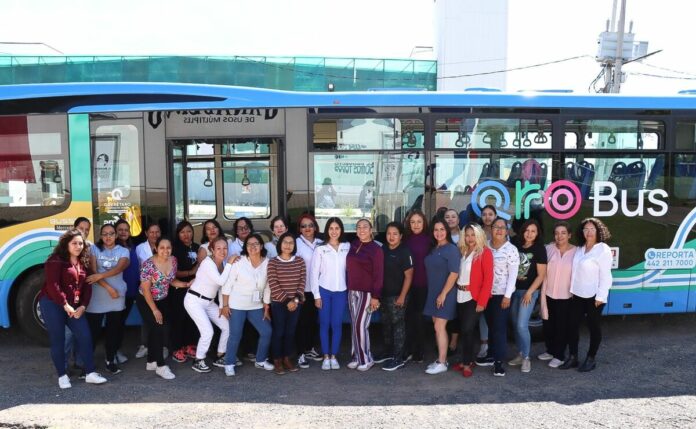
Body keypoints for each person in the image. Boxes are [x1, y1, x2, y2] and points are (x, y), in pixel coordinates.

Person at [39, 229, 107, 388]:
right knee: (58, 340)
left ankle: (90, 373)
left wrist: (83, 305)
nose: (78, 246)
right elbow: (52, 285)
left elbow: (88, 285)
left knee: (85, 336)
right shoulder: (55, 261)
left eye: (80, 243)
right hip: (53, 304)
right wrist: (65, 304)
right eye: (74, 243)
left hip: (74, 306)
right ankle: (62, 376)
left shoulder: (83, 262)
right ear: (66, 244)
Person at [564, 217, 613, 372]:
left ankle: (591, 358)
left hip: (594, 297)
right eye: (586, 229)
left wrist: (600, 296)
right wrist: (572, 290)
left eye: (592, 229)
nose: (589, 232)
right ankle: (573, 357)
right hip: (577, 294)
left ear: (598, 231)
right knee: (571, 326)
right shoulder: (580, 248)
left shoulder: (603, 249)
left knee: (593, 327)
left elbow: (606, 275)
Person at [221, 233, 273, 376]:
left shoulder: (268, 263)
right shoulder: (239, 262)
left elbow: (268, 286)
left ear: (261, 246)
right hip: (237, 305)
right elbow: (227, 284)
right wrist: (225, 305)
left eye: (256, 244)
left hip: (256, 305)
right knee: (235, 335)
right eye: (249, 244)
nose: (252, 247)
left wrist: (266, 306)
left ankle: (260, 360)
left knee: (267, 331)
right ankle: (229, 363)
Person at [138, 237, 189, 380]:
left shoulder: (173, 261)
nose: (165, 250)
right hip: (146, 300)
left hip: (163, 299)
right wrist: (154, 310)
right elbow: (146, 289)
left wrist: (185, 285)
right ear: (156, 248)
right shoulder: (148, 264)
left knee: (159, 329)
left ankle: (150, 362)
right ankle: (160, 365)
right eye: (162, 247)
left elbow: (171, 280)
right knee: (158, 329)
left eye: (168, 247)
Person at [185, 236, 236, 373]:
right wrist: (231, 263)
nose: (222, 251)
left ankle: (220, 355)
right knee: (208, 331)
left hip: (209, 302)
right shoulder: (208, 263)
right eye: (218, 248)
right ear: (212, 250)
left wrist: (221, 307)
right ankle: (198, 360)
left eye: (225, 248)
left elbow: (222, 288)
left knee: (227, 326)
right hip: (194, 300)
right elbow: (220, 281)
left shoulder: (223, 264)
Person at [476, 217, 519, 377]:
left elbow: (513, 275)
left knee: (499, 329)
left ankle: (499, 363)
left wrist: (507, 296)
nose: (499, 230)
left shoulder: (511, 249)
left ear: (507, 231)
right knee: (492, 326)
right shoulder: (485, 246)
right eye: (496, 227)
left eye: (502, 227)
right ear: (491, 229)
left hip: (502, 295)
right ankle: (492, 354)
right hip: (487, 295)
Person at [85, 223, 129, 375]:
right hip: (98, 298)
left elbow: (120, 268)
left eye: (111, 233)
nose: (108, 237)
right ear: (100, 236)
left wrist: (101, 275)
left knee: (113, 332)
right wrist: (109, 287)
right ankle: (87, 365)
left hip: (117, 298)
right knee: (93, 332)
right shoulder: (93, 249)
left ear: (116, 235)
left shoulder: (124, 250)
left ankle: (110, 361)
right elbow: (92, 272)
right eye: (105, 234)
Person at [452, 223, 493, 378]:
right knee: (464, 330)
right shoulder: (461, 251)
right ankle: (465, 360)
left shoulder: (485, 252)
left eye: (473, 234)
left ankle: (468, 363)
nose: (470, 238)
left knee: (468, 330)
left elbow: (488, 279)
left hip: (473, 297)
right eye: (467, 235)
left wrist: (482, 301)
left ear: (479, 235)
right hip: (459, 295)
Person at [508, 219, 547, 373]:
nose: (529, 234)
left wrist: (530, 292)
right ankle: (520, 353)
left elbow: (541, 275)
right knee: (515, 324)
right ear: (523, 231)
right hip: (513, 291)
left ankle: (526, 358)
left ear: (537, 234)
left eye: (533, 231)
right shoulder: (516, 245)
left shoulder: (539, 249)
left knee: (521, 325)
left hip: (528, 293)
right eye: (527, 230)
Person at [311, 217, 350, 371]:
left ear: (341, 230)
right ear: (327, 230)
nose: (334, 231)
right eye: (331, 228)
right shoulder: (320, 249)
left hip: (341, 291)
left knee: (337, 324)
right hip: (324, 291)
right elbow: (314, 273)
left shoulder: (347, 247)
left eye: (337, 228)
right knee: (324, 324)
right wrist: (316, 295)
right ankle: (326, 356)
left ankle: (334, 356)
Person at [422, 219, 461, 375]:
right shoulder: (434, 249)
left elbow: (454, 273)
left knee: (439, 326)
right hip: (433, 292)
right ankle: (440, 359)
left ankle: (442, 362)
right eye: (436, 230)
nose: (439, 233)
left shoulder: (451, 249)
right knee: (437, 327)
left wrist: (443, 294)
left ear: (447, 231)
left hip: (446, 293)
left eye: (442, 229)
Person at [345, 218, 383, 372]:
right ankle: (356, 356)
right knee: (354, 325)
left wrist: (376, 296)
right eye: (359, 227)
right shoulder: (353, 245)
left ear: (371, 229)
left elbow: (379, 275)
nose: (362, 230)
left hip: (367, 293)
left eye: (365, 227)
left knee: (361, 326)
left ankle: (366, 359)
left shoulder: (376, 249)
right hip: (352, 291)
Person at [539, 221, 576, 369]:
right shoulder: (548, 249)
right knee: (548, 325)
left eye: (563, 233)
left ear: (569, 235)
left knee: (562, 327)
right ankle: (550, 350)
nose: (559, 236)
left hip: (566, 296)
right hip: (548, 294)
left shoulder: (576, 252)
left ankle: (559, 356)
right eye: (557, 233)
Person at [267, 231, 306, 374]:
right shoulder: (273, 262)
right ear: (280, 244)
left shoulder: (300, 261)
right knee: (279, 332)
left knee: (290, 332)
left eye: (291, 243)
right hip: (279, 304)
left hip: (296, 303)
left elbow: (302, 282)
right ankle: (277, 360)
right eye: (285, 242)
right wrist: (288, 301)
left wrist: (295, 300)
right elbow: (273, 284)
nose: (288, 245)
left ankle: (287, 358)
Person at [379, 222, 413, 371]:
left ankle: (399, 358)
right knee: (386, 325)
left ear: (401, 236)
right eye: (388, 233)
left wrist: (402, 296)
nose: (391, 237)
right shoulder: (383, 249)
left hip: (398, 296)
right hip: (384, 296)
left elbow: (409, 276)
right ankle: (388, 352)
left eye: (395, 234)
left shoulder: (404, 252)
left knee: (398, 326)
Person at [64, 217, 92, 374]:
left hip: (80, 300)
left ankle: (80, 362)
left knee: (80, 333)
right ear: (74, 228)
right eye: (81, 228)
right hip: (66, 301)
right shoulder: (65, 249)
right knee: (67, 335)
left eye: (87, 229)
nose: (85, 231)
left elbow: (88, 276)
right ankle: (63, 367)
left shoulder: (88, 249)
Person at [295, 214, 324, 367]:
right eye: (303, 226)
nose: (307, 228)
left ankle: (309, 348)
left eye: (310, 225)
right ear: (299, 228)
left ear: (315, 227)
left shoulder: (321, 242)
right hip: (302, 289)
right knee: (302, 322)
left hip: (318, 289)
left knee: (313, 321)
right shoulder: (296, 243)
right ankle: (300, 353)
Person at [171, 220, 201, 363]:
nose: (186, 235)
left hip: (195, 289)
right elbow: (173, 273)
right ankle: (177, 347)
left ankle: (190, 345)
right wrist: (191, 271)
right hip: (179, 289)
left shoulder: (197, 247)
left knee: (193, 318)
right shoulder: (174, 249)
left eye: (189, 231)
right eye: (182, 232)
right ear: (178, 234)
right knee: (179, 318)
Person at [403, 209, 429, 363]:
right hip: (406, 284)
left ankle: (420, 350)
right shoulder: (405, 239)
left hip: (422, 284)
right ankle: (408, 349)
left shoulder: (429, 239)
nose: (416, 225)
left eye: (419, 221)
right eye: (413, 222)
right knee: (408, 318)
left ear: (424, 223)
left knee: (419, 318)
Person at [114, 219, 139, 364]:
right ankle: (111, 353)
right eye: (120, 229)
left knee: (121, 323)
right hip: (118, 292)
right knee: (115, 323)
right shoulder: (113, 248)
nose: (123, 232)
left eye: (126, 230)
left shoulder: (132, 246)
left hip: (130, 291)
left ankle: (117, 350)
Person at [476, 204, 498, 359]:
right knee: (482, 313)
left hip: (498, 279)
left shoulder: (502, 230)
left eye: (491, 214)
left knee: (495, 315)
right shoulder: (477, 232)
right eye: (484, 214)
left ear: (495, 216)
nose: (487, 217)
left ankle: (495, 346)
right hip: (480, 278)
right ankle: (484, 344)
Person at [443, 208, 462, 355]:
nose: (450, 219)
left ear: (458, 220)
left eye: (453, 217)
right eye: (447, 217)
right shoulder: (441, 236)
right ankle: (443, 340)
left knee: (456, 312)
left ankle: (454, 342)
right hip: (444, 278)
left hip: (461, 279)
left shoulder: (464, 236)